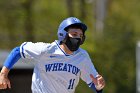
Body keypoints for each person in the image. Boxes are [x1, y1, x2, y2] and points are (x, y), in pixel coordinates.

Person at [0, 17, 105, 93]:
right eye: (74, 34)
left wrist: (99, 87)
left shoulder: (82, 56)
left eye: (80, 35)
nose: (77, 38)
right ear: (62, 35)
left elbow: (94, 83)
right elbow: (18, 51)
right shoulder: (46, 50)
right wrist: (3, 74)